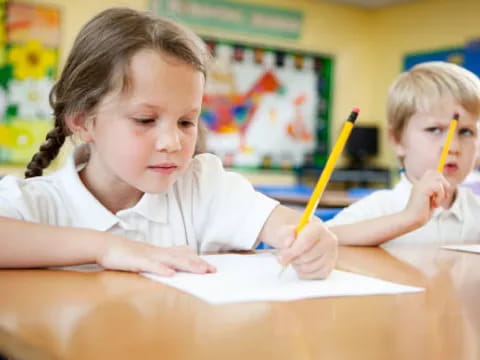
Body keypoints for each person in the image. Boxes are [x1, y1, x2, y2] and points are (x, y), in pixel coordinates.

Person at [0, 8, 336, 279]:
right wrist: (105, 247)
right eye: (145, 120)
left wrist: (308, 238)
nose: (172, 141)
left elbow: (283, 224)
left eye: (186, 121)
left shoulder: (201, 186)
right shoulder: (36, 203)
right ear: (83, 121)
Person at [328, 61, 480, 245]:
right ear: (397, 139)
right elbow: (324, 238)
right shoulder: (381, 207)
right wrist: (407, 218)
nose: (453, 147)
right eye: (434, 130)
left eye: (466, 132)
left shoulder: (475, 210)